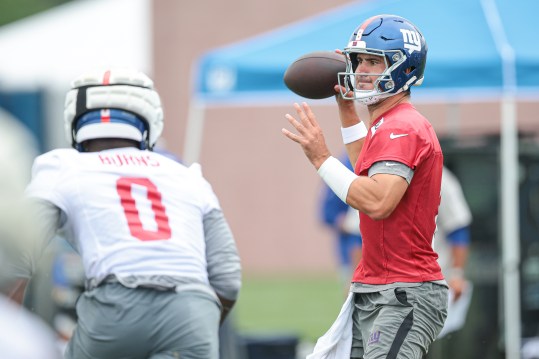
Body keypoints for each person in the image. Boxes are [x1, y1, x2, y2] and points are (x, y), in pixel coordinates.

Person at [9, 68, 242, 359]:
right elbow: (228, 279)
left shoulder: (60, 167)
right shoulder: (187, 176)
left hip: (114, 308)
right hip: (191, 309)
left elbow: (15, 257)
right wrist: (198, 323)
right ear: (149, 121)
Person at [282, 14, 448, 358]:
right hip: (377, 286)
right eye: (359, 61)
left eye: (374, 61)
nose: (361, 71)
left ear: (402, 67)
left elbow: (378, 200)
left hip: (404, 290)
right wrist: (346, 111)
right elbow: (365, 174)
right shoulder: (386, 123)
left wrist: (321, 158)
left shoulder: (402, 125)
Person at [320, 153, 362, 292]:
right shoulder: (345, 164)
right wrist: (342, 221)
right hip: (352, 243)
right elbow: (328, 211)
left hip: (385, 250)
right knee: (353, 292)